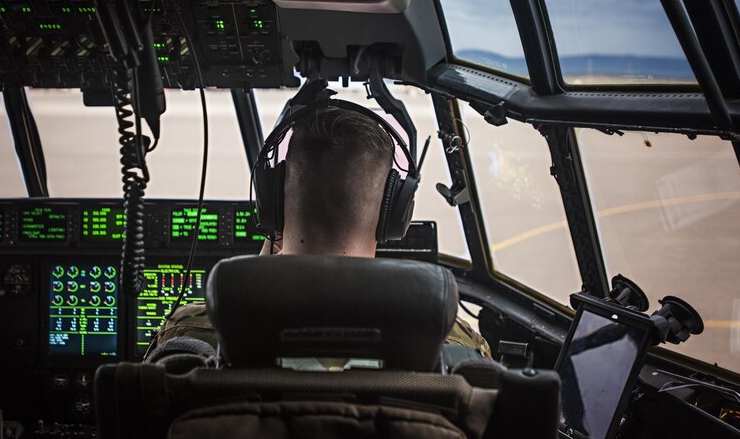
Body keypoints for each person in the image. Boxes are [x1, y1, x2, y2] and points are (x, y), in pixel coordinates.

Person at [153, 101, 491, 361]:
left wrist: (257, 281)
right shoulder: (451, 345)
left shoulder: (191, 336)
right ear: (395, 215)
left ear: (273, 205)